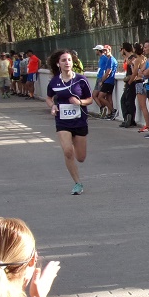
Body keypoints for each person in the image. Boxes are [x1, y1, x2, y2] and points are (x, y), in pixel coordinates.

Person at [46, 49, 93, 195]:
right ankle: (77, 183)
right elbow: (48, 98)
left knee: (81, 157)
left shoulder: (81, 80)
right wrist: (52, 106)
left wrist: (80, 102)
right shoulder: (54, 82)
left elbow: (90, 99)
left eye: (69, 60)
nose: (67, 62)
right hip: (62, 121)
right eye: (64, 60)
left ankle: (74, 147)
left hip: (80, 121)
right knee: (67, 151)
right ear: (58, 64)